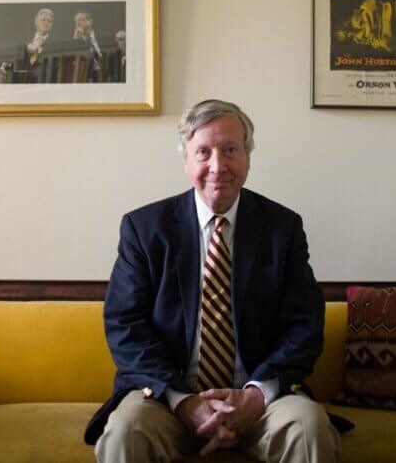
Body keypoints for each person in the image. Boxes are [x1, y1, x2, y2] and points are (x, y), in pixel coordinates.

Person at [86, 100, 341, 463]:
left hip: (260, 402)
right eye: (203, 152)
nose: (218, 166)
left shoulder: (283, 228)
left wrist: (256, 395)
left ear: (248, 157)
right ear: (186, 161)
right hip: (167, 399)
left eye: (230, 150)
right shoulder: (144, 229)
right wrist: (185, 403)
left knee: (308, 426)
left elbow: (305, 324)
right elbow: (125, 326)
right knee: (126, 431)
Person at [24, 8, 55, 83]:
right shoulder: (26, 40)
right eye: (43, 20)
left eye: (49, 21)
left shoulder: (54, 43)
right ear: (36, 22)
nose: (46, 23)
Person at [73, 11, 105, 82]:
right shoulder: (76, 40)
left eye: (81, 20)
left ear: (90, 22)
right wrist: (76, 39)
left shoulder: (101, 39)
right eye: (76, 21)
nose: (78, 23)